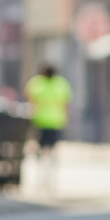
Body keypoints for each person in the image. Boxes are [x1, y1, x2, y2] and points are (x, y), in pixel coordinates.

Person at [24, 64, 72, 192]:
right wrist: (67, 118)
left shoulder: (37, 83)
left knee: (40, 150)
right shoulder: (61, 84)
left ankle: (41, 178)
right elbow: (66, 103)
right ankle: (50, 179)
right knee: (52, 151)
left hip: (40, 120)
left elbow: (29, 97)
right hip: (56, 121)